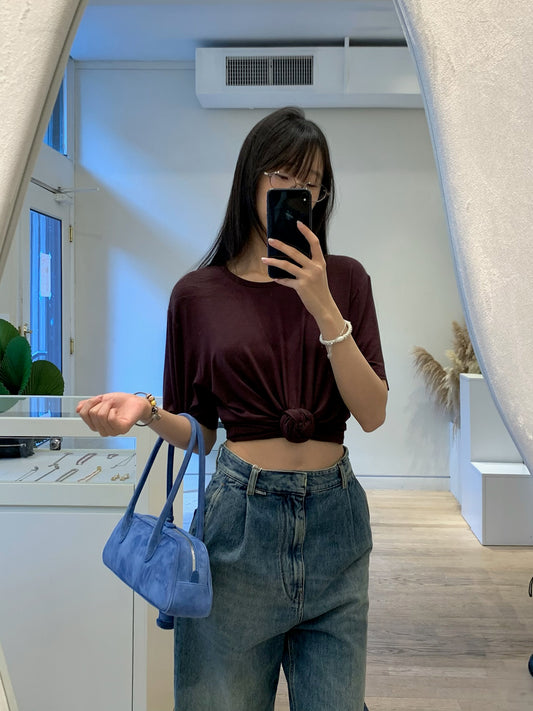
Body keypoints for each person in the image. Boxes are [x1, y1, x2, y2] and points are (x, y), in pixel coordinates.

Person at [77, 106, 388, 711]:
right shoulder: (197, 295)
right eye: (283, 175)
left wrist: (323, 305)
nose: (297, 192)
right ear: (251, 179)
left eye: (312, 182)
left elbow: (372, 413)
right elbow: (200, 432)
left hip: (337, 529)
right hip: (238, 525)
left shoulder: (346, 281)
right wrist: (146, 410)